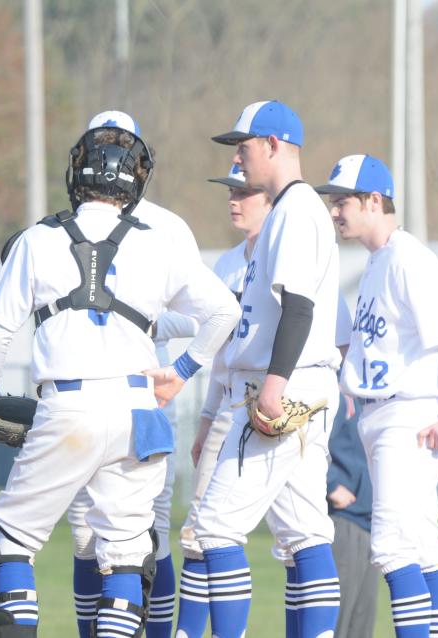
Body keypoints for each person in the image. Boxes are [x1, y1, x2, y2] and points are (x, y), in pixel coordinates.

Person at [0, 116, 240, 638]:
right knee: (125, 553)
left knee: (7, 541)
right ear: (134, 182)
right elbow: (224, 313)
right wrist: (182, 371)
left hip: (69, 405)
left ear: (77, 174)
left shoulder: (36, 239)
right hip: (139, 410)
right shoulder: (156, 243)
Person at [191, 101, 343, 638]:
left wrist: (274, 386)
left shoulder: (297, 210)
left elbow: (298, 307)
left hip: (285, 385)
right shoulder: (289, 211)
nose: (239, 155)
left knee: (214, 528)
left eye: (244, 145)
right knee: (305, 533)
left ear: (274, 145)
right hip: (301, 381)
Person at [315, 154, 438, 638]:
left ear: (373, 200)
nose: (334, 211)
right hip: (383, 414)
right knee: (424, 546)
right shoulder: (377, 261)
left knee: (390, 548)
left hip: (406, 415)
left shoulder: (409, 258)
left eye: (342, 201)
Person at [63, 111, 202, 638]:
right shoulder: (67, 223)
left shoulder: (166, 227)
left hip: (144, 396)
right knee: (86, 539)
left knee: (148, 535)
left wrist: (145, 319)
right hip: (83, 397)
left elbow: (201, 312)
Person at [174, 164, 273, 638]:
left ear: (269, 198)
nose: (234, 200)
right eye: (231, 191)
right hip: (229, 403)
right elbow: (217, 353)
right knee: (197, 533)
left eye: (246, 191)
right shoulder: (227, 265)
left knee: (302, 537)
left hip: (275, 408)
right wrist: (207, 419)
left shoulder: (290, 256)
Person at [326, 394, 379, 638]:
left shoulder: (373, 394)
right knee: (334, 620)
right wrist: (331, 483)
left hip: (371, 521)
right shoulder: (339, 392)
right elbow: (311, 440)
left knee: (361, 625)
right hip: (343, 518)